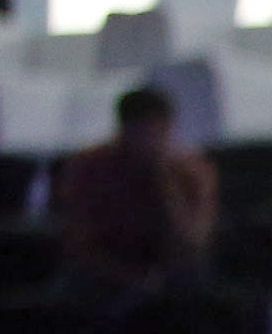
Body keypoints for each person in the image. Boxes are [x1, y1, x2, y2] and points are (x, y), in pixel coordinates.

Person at [54, 85, 217, 299]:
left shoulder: (191, 171)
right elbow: (79, 240)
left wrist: (164, 181)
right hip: (106, 269)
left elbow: (192, 243)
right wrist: (127, 276)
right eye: (140, 131)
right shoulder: (89, 168)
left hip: (171, 269)